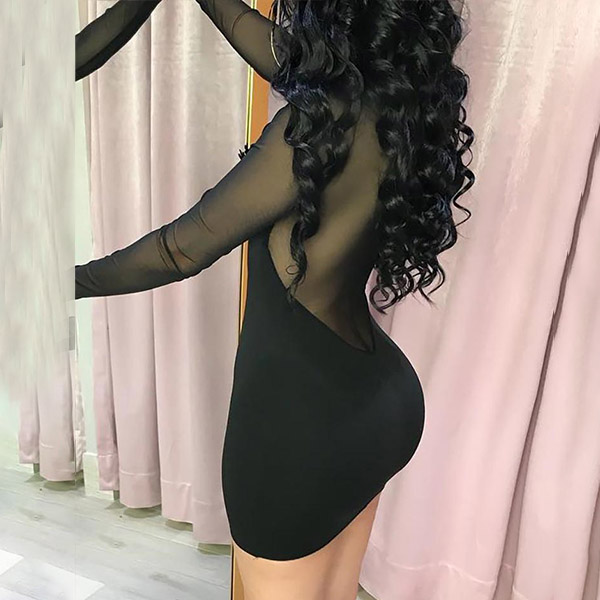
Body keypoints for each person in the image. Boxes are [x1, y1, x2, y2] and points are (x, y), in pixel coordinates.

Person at [75, 1, 474, 598]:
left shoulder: (314, 127)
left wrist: (60, 281)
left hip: (301, 430)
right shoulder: (406, 101)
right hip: (380, 402)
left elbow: (179, 250)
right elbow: (282, 55)